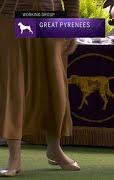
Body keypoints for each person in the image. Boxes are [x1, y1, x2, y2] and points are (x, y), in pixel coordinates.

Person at [0, 0, 80, 177]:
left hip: (52, 18)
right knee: (14, 82)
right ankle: (14, 157)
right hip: (10, 17)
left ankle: (54, 149)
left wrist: (73, 29)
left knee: (55, 84)